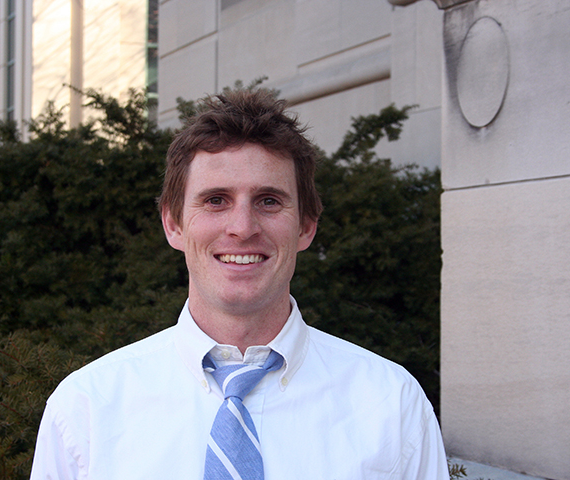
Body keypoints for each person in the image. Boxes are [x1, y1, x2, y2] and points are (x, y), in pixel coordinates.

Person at [30, 90, 449, 479]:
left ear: (306, 226)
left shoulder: (392, 406)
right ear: (173, 224)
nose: (242, 228)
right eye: (216, 200)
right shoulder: (84, 410)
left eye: (269, 201)